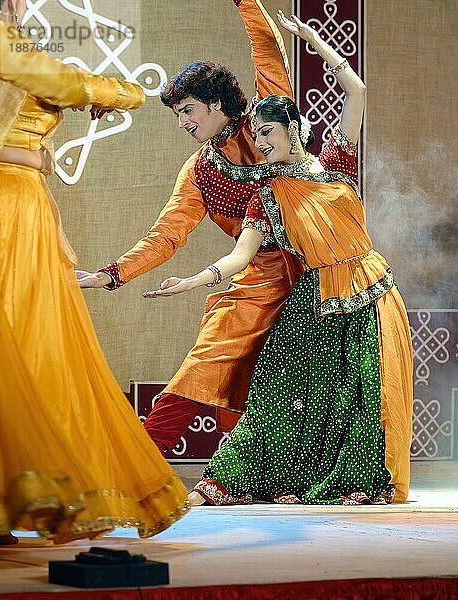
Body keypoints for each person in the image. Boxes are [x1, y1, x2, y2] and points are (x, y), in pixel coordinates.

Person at [143, 12, 413, 506]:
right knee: (273, 394)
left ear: (294, 130)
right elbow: (238, 255)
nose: (261, 145)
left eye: (269, 134)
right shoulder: (264, 193)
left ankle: (356, 481)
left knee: (361, 389)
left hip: (367, 290)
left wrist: (314, 41)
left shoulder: (336, 161)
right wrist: (192, 281)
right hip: (311, 299)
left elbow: (357, 90)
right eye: (258, 137)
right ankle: (224, 482)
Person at [0, 0, 188, 545]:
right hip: (4, 209)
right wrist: (125, 93)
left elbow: (46, 85)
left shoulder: (10, 46)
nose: (24, 5)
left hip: (23, 207)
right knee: (11, 342)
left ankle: (14, 493)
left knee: (30, 348)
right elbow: (59, 80)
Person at [76, 0, 304, 453]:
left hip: (319, 274)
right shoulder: (199, 170)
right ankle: (142, 461)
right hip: (261, 276)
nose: (182, 123)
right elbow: (167, 234)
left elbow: (267, 51)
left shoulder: (264, 127)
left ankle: (289, 473)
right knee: (212, 357)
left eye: (189, 111)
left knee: (321, 381)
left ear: (217, 105)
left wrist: (245, 3)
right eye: (177, 113)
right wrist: (111, 274)